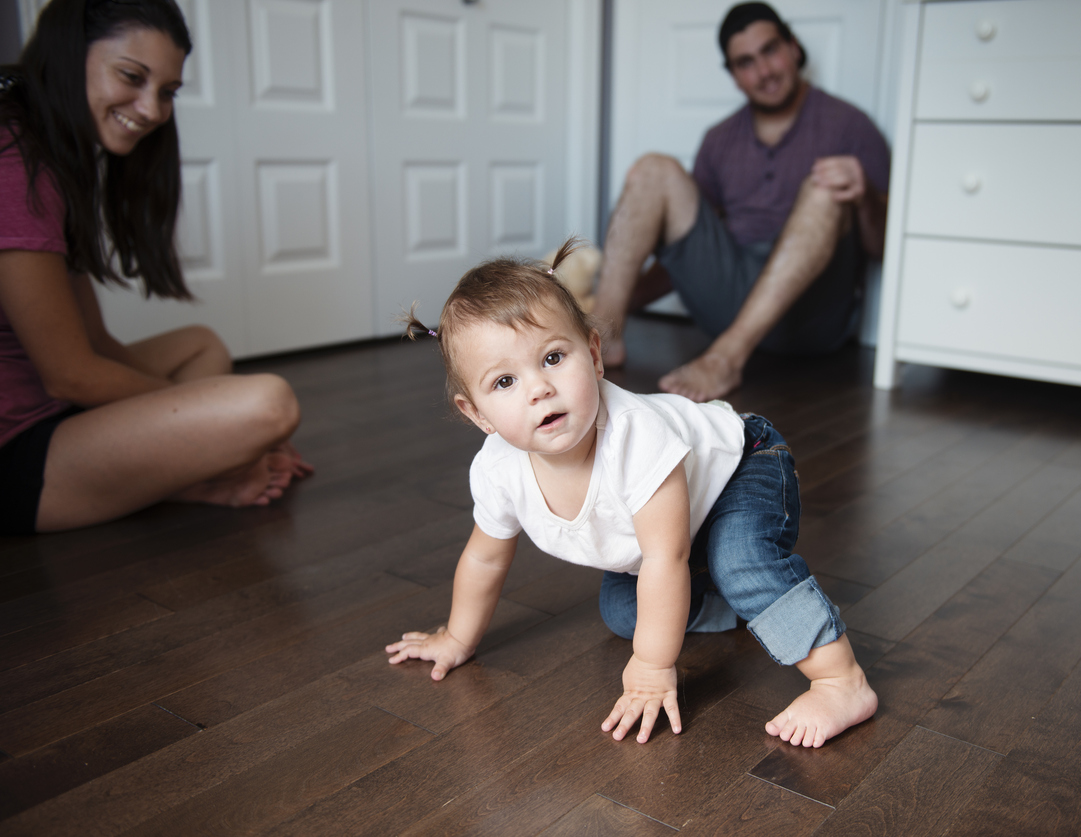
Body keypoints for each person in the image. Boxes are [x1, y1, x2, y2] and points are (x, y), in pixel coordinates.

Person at [385, 239, 877, 748]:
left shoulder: (635, 436)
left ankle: (841, 680)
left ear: (594, 355)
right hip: (677, 527)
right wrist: (457, 638)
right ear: (477, 414)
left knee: (740, 561)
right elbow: (485, 560)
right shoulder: (497, 470)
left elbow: (666, 557)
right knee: (625, 615)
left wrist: (651, 665)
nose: (539, 388)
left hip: (743, 465)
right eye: (505, 381)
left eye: (553, 357)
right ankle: (747, 604)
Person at [0, 0, 312, 535]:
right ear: (69, 55)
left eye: (167, 92)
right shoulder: (15, 162)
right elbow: (69, 374)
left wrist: (208, 423)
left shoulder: (53, 158)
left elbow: (95, 345)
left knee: (202, 345)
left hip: (51, 413)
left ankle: (190, 475)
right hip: (17, 460)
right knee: (268, 404)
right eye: (131, 76)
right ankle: (202, 479)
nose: (150, 109)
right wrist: (223, 426)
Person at [593, 2, 890, 403]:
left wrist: (866, 196)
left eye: (771, 50)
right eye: (746, 62)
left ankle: (726, 359)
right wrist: (615, 302)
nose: (764, 71)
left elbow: (882, 248)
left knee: (824, 189)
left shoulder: (852, 126)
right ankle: (602, 336)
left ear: (794, 47)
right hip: (731, 296)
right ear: (734, 76)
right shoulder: (719, 140)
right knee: (652, 169)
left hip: (812, 314)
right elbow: (686, 251)